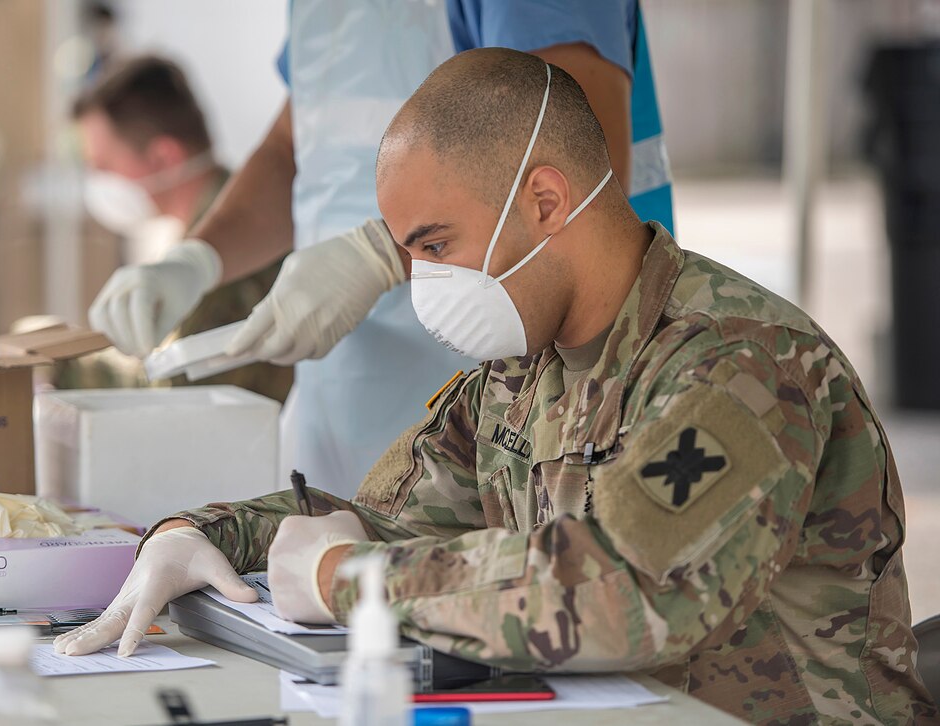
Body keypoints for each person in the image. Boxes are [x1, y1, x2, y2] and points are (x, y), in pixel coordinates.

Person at [56, 50, 938, 724]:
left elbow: (623, 593)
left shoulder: (745, 364)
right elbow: (393, 522)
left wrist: (341, 579)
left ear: (546, 201)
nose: (421, 279)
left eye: (435, 245)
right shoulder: (523, 367)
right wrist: (202, 535)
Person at [87, 1, 674, 498]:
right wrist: (195, 259)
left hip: (502, 388)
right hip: (344, 397)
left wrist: (376, 253)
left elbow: (568, 156)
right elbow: (296, 145)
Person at [69, 54, 292, 400]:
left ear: (163, 158)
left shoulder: (229, 249)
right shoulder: (212, 224)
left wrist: (69, 366)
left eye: (103, 166)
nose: (97, 183)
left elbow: (187, 392)